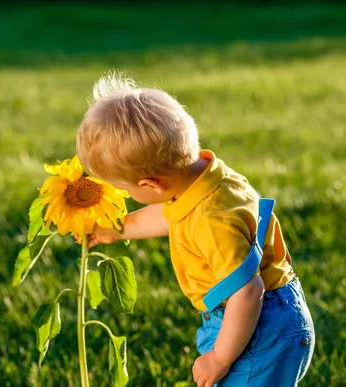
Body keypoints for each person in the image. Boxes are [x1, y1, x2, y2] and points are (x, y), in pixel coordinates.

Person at [75, 72, 315, 386]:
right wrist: (118, 229)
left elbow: (248, 291)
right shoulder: (201, 179)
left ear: (150, 184)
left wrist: (220, 357)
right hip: (264, 315)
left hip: (258, 324)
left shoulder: (213, 220)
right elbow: (169, 213)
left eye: (123, 188)